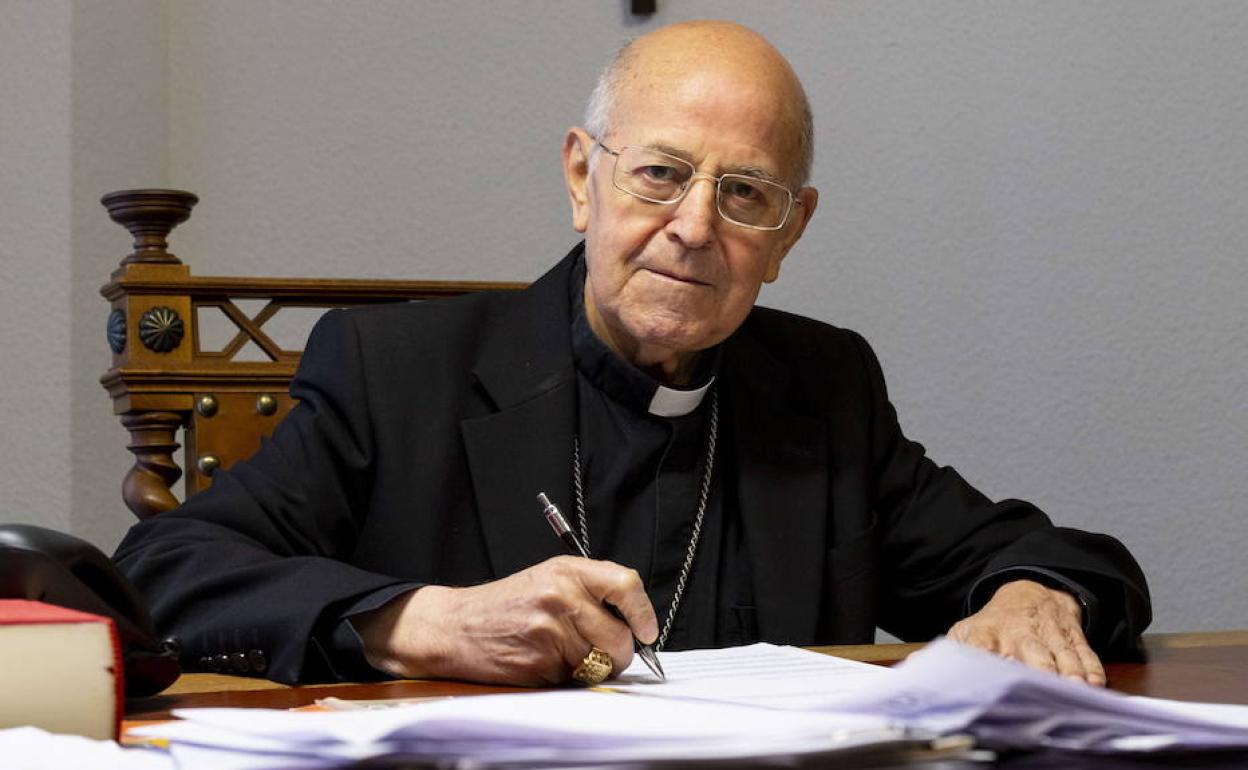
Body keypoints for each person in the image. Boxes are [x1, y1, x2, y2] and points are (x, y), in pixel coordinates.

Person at [114, 20, 1149, 688]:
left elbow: (1064, 557)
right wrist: (420, 621)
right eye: (660, 173)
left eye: (745, 193)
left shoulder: (823, 390)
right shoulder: (398, 374)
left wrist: (1036, 596)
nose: (694, 227)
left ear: (790, 231)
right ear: (583, 178)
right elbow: (160, 575)